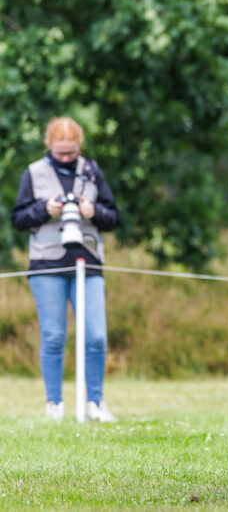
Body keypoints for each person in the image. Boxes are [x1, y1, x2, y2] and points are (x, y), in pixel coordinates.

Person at [10, 117, 120, 421]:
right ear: (49, 145)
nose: (66, 158)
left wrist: (93, 211)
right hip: (47, 263)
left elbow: (113, 218)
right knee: (54, 335)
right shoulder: (34, 173)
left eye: (71, 153)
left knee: (96, 336)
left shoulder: (92, 171)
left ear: (79, 147)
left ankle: (95, 403)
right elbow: (18, 219)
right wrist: (44, 210)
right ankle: (54, 405)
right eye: (60, 153)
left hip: (88, 262)